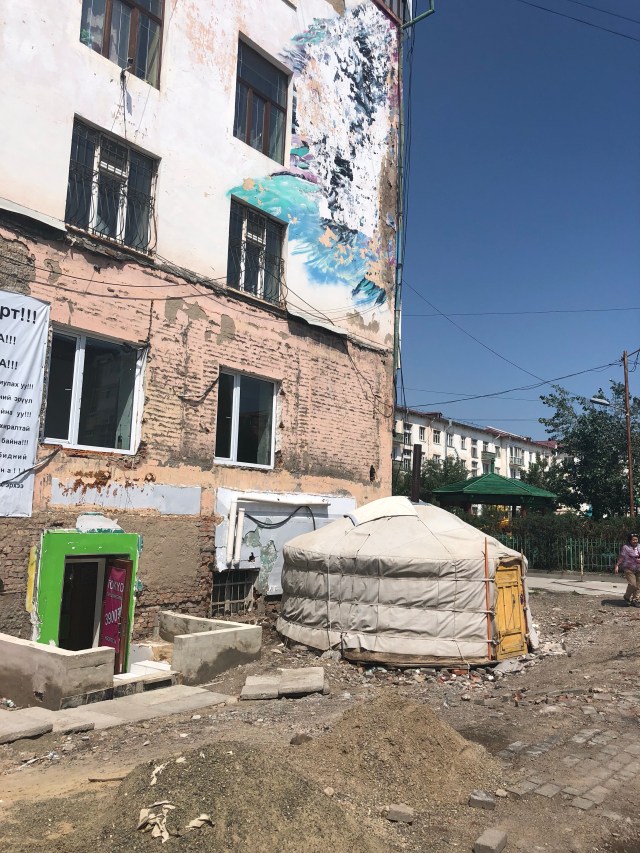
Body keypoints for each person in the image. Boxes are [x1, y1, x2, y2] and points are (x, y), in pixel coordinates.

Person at [614, 533, 640, 606]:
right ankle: (627, 596)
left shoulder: (639, 546)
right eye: (633, 540)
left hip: (638, 568)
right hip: (629, 568)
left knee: (638, 585)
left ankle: (636, 600)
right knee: (633, 584)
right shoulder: (625, 547)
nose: (635, 541)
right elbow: (622, 557)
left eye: (636, 539)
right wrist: (617, 565)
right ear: (630, 540)